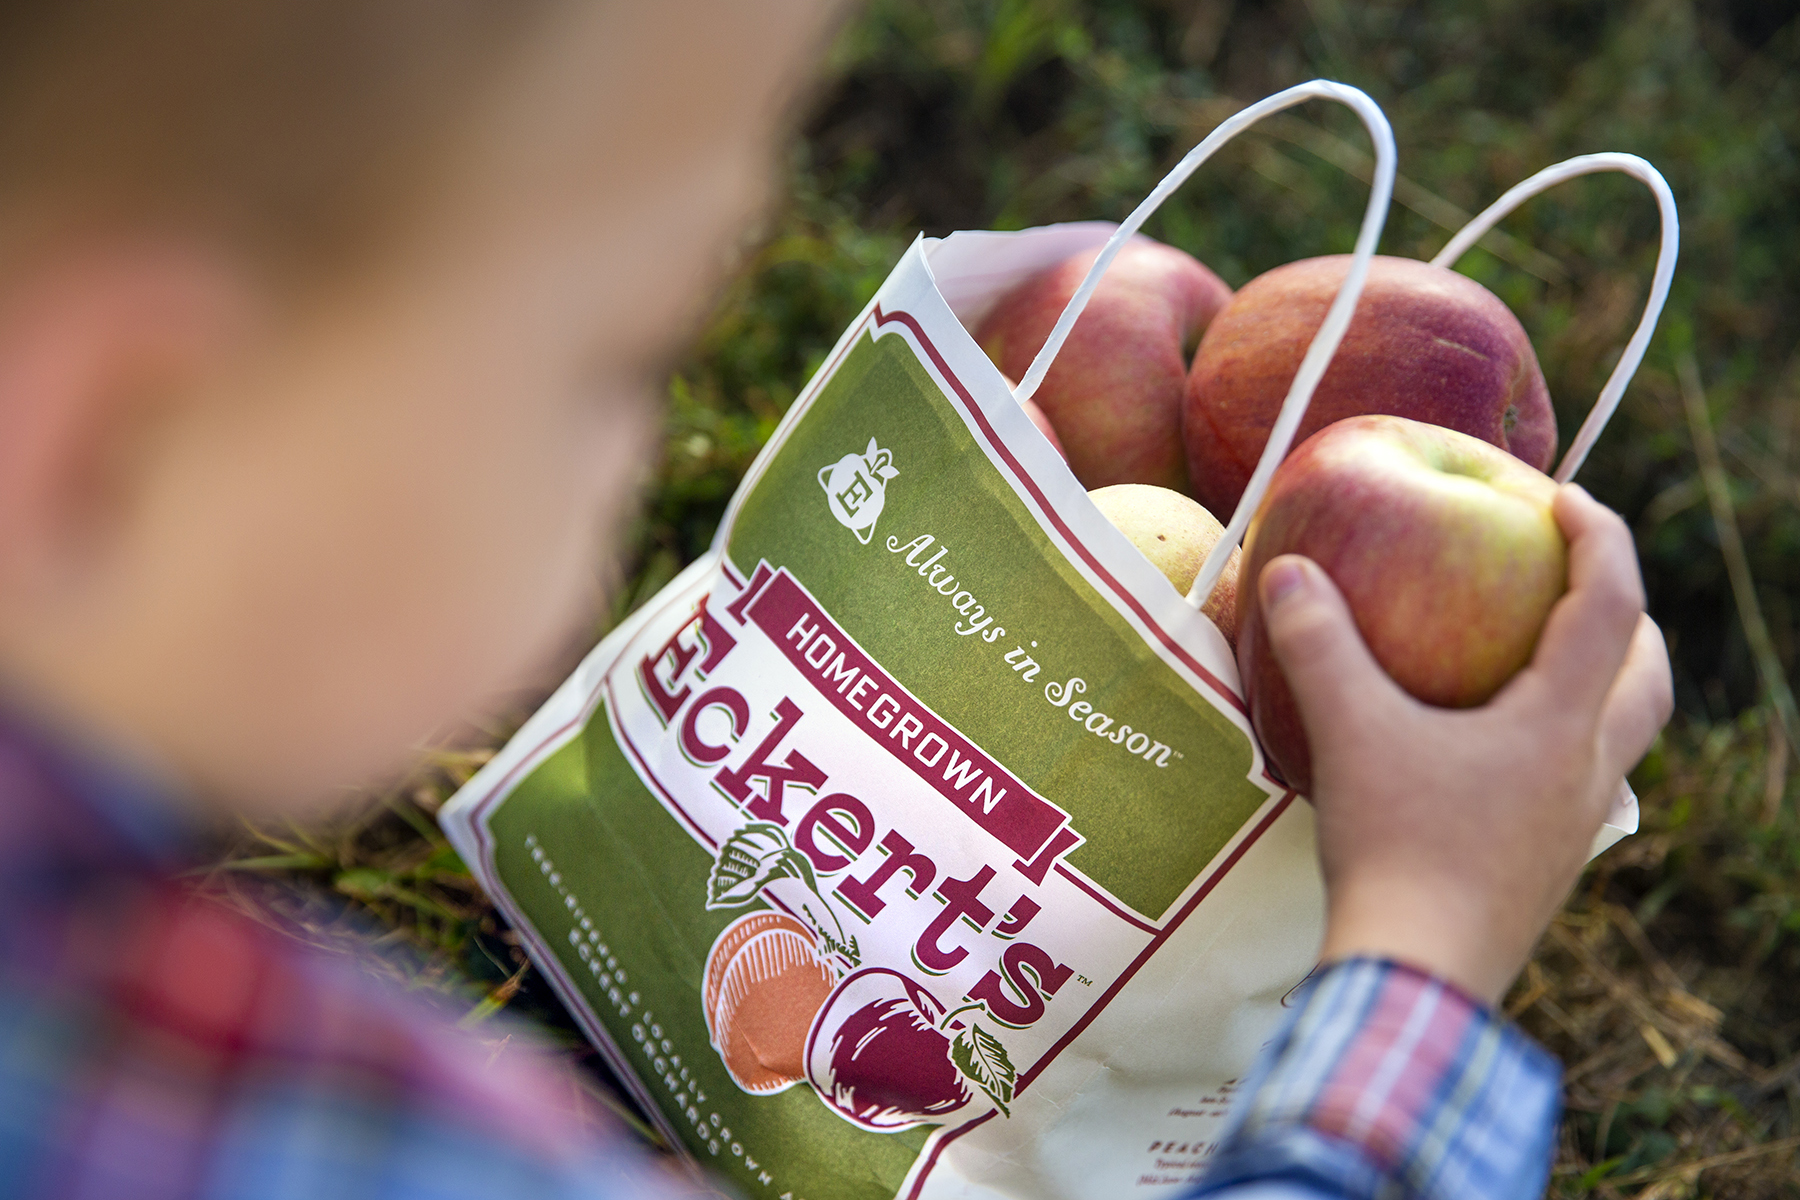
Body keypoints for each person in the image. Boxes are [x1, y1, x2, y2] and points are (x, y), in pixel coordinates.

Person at [0, 2, 1671, 1198]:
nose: (652, 435)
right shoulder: (343, 1138)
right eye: (620, 358)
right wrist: (1428, 950)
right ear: (123, 441)